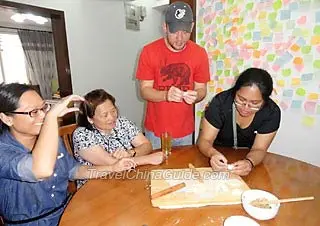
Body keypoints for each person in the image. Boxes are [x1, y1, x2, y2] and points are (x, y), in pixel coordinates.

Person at [0, 83, 136, 225]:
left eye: (43, 108)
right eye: (33, 112)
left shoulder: (51, 140)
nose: (42, 115)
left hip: (68, 211)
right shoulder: (3, 151)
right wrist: (51, 117)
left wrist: (113, 167)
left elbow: (74, 170)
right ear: (7, 119)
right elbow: (41, 170)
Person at [136, 1, 210, 149]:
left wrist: (196, 95)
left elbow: (202, 90)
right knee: (155, 171)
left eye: (185, 32)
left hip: (185, 130)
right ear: (165, 27)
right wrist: (165, 95)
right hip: (156, 131)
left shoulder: (199, 53)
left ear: (192, 27)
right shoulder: (149, 51)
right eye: (174, 31)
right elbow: (144, 90)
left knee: (181, 170)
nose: (180, 37)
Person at [197, 68, 281, 176]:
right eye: (241, 99)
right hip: (215, 157)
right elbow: (204, 140)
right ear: (235, 91)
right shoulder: (220, 103)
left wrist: (249, 162)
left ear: (265, 100)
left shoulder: (271, 112)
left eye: (254, 103)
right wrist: (213, 154)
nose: (246, 107)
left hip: (249, 159)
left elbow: (259, 149)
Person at [73, 89, 164, 188]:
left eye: (113, 111)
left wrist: (130, 152)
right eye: (105, 115)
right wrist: (148, 159)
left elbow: (147, 145)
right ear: (90, 119)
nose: (112, 117)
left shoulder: (122, 122)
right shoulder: (82, 135)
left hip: (126, 179)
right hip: (96, 188)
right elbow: (114, 164)